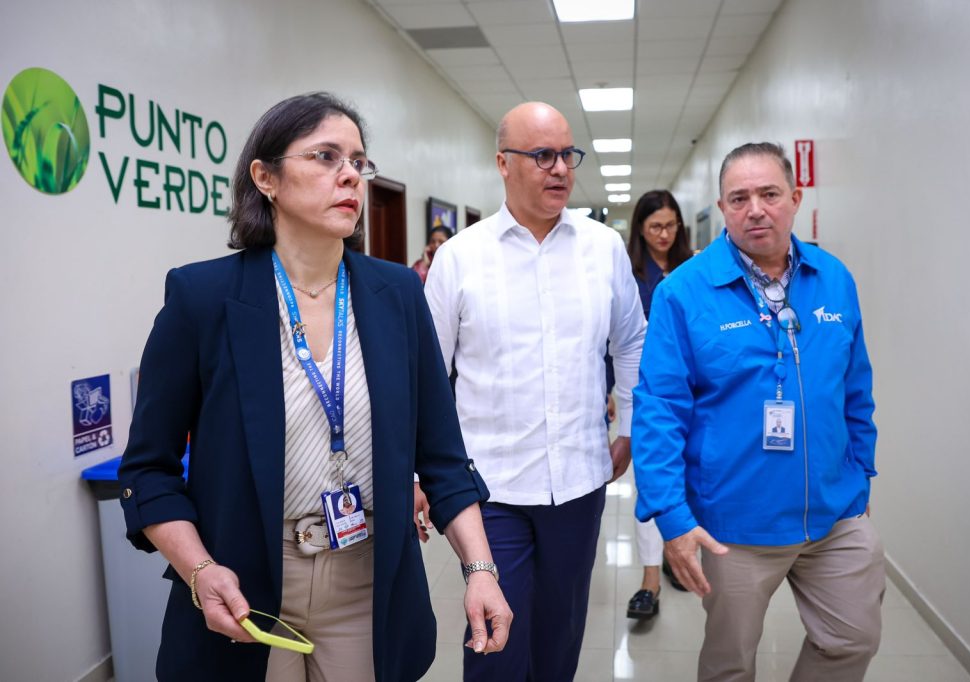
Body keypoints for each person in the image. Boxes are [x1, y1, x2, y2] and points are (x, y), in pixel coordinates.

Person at [117, 92, 511, 682]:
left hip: (366, 581)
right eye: (326, 157)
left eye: (358, 160)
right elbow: (148, 469)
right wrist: (200, 570)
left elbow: (444, 459)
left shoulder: (396, 295)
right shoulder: (203, 300)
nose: (349, 173)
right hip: (248, 583)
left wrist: (480, 569)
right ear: (266, 177)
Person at [632, 142, 883, 681]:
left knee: (852, 639)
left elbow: (855, 387)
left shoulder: (833, 278)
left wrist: (862, 472)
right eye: (739, 197)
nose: (756, 209)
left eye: (769, 194)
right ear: (722, 209)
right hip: (736, 524)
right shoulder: (683, 292)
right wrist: (672, 518)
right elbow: (658, 409)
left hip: (835, 514)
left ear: (794, 198)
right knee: (730, 664)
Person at [425, 101, 646, 681]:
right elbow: (426, 375)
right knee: (494, 648)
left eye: (567, 155)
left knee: (558, 643)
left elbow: (631, 343)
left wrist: (628, 426)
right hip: (489, 488)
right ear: (503, 162)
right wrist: (422, 471)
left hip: (578, 482)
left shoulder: (603, 249)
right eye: (541, 155)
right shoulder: (460, 259)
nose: (559, 170)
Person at [619, 189, 693, 621]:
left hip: (693, 393)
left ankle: (677, 550)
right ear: (640, 230)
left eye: (670, 225)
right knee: (650, 481)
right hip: (646, 394)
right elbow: (618, 340)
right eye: (654, 227)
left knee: (688, 479)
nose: (663, 234)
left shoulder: (695, 270)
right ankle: (650, 580)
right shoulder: (630, 273)